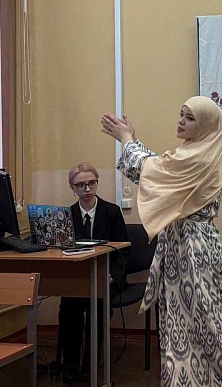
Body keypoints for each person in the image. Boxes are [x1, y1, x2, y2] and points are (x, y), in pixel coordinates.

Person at [101, 97, 222, 387]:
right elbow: (160, 170)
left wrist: (127, 140)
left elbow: (154, 171)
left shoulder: (198, 157)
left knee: (209, 320)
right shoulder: (195, 153)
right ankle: (188, 379)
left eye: (190, 118)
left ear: (205, 126)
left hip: (192, 248)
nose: (181, 121)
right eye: (181, 114)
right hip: (184, 244)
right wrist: (132, 141)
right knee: (184, 320)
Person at [57, 162, 129, 382]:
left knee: (98, 309)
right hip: (79, 279)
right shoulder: (67, 215)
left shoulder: (112, 212)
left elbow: (123, 252)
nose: (87, 189)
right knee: (68, 308)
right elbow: (63, 251)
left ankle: (90, 364)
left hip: (106, 277)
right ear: (72, 188)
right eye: (81, 185)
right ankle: (70, 365)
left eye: (92, 183)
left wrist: (112, 276)